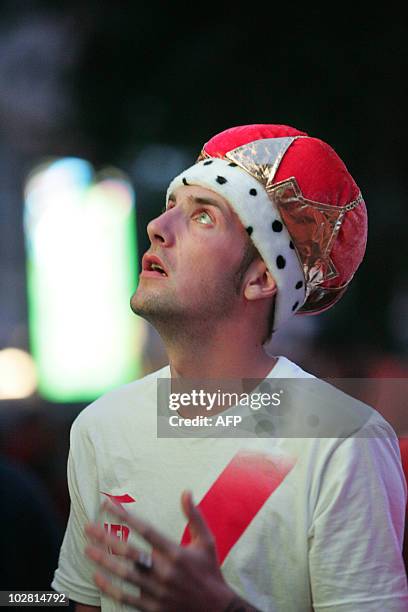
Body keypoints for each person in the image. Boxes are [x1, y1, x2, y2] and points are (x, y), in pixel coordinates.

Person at [52, 124, 408, 611]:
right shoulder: (101, 426)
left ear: (262, 277)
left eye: (202, 217)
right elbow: (78, 602)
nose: (159, 227)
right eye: (171, 206)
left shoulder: (342, 439)